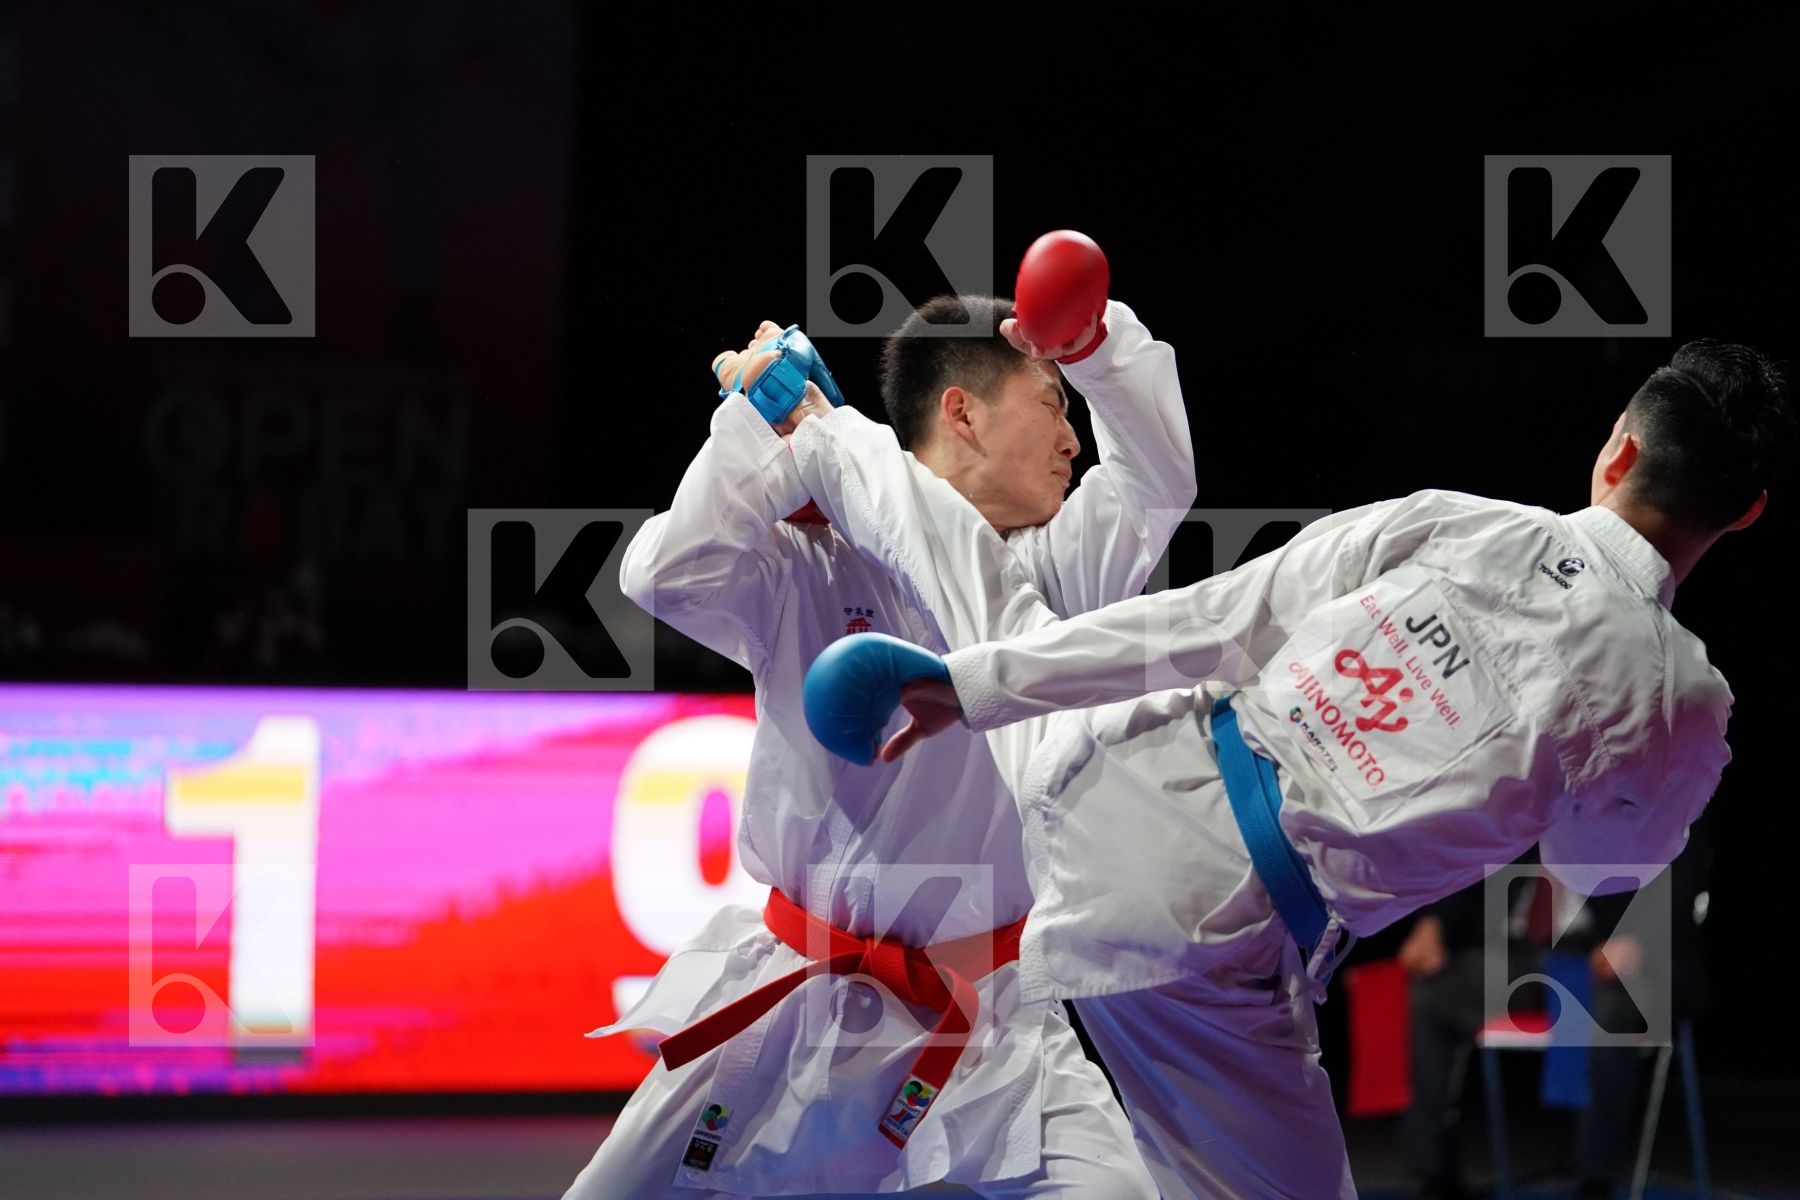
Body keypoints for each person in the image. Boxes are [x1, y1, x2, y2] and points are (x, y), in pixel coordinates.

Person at [792, 339, 1791, 1198]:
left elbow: (1212, 620)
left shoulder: (1462, 520)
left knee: (996, 605)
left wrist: (967, 689)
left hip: (1113, 763)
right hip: (1200, 929)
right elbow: (1588, 872)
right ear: (1745, 515)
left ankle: (807, 415)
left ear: (1617, 447)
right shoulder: (1683, 704)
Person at [561, 289, 1195, 1198]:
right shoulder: (810, 563)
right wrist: (769, 435)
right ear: (961, 411)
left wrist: (1095, 346)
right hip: (792, 998)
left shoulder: (1056, 574)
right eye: (1055, 405)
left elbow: (1155, 481)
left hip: (994, 1028)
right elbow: (665, 573)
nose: (1073, 440)